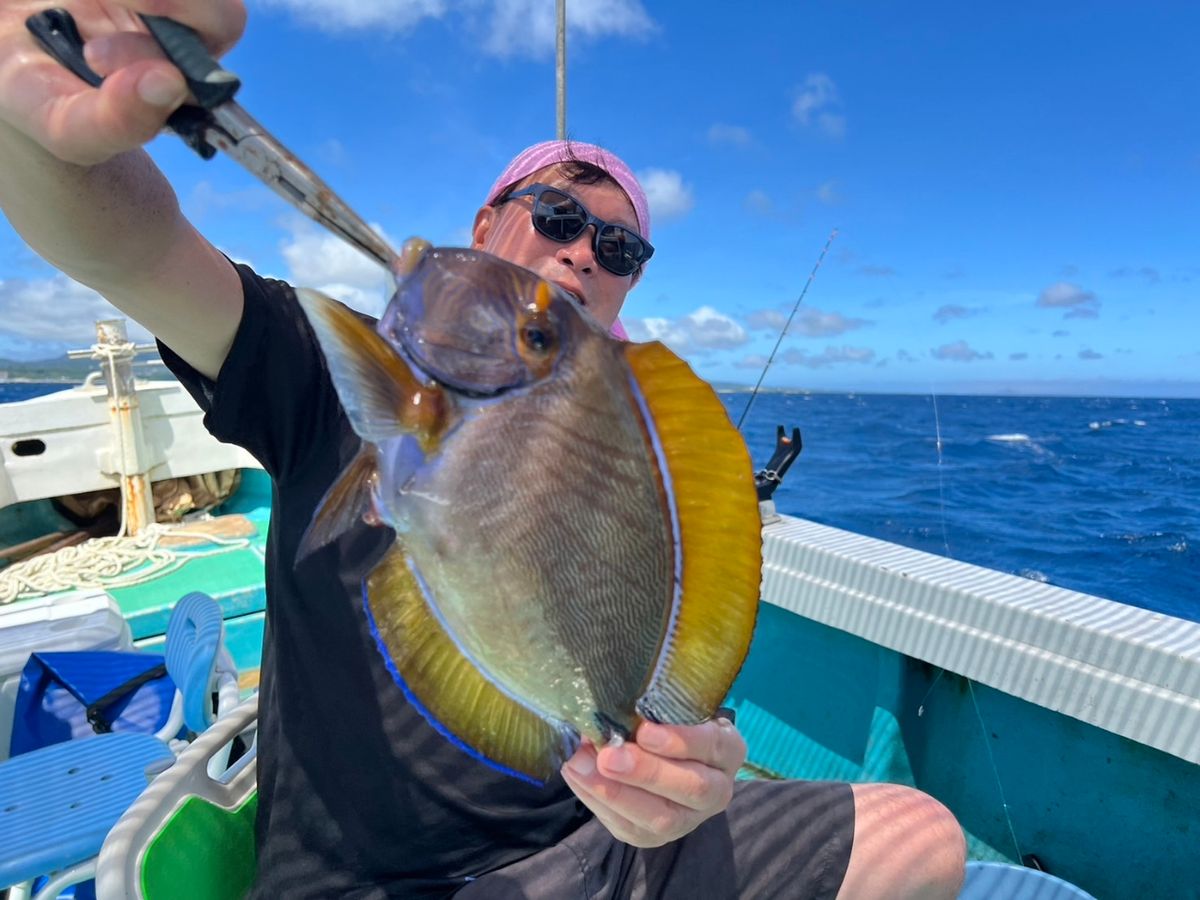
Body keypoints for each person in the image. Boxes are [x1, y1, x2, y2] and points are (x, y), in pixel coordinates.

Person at [0, 3, 967, 897]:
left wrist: (685, 767)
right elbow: (130, 245)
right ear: (485, 226)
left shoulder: (634, 458)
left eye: (618, 250)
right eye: (557, 217)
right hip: (378, 882)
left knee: (922, 837)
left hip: (599, 840)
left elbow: (658, 677)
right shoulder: (328, 371)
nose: (585, 251)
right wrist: (33, 118)